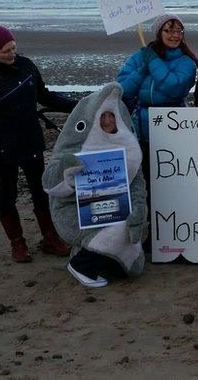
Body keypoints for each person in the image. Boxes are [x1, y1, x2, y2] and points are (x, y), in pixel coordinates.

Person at [0, 21, 76, 263]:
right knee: (7, 194)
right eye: (5, 51)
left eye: (13, 48)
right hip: (3, 148)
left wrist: (76, 106)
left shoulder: (26, 65)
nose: (11, 54)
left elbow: (43, 94)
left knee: (40, 191)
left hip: (30, 142)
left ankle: (50, 238)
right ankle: (17, 243)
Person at [43, 82, 148, 288]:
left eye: (112, 116)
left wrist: (138, 211)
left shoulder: (126, 147)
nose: (108, 121)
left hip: (113, 207)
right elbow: (51, 185)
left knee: (133, 266)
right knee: (114, 232)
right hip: (75, 212)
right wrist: (68, 172)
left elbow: (137, 184)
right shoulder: (77, 146)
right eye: (103, 116)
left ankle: (89, 253)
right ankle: (81, 264)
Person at [116, 13, 198, 183]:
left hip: (173, 125)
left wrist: (153, 63)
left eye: (179, 30)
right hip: (140, 128)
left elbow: (174, 88)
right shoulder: (141, 57)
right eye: (169, 30)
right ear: (159, 32)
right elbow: (123, 90)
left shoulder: (186, 61)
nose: (175, 35)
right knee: (143, 177)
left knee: (170, 176)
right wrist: (142, 69)